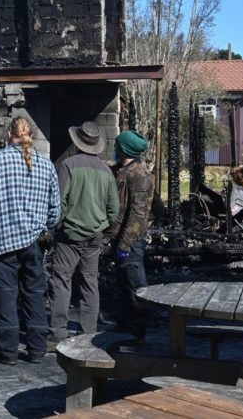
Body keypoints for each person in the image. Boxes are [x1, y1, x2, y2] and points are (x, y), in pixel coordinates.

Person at [0, 116, 61, 365]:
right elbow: (55, 210)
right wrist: (45, 230)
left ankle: (8, 352)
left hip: (4, 240)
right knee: (35, 295)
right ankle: (37, 350)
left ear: (9, 135)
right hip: (35, 243)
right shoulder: (46, 165)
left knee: (6, 296)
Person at [48, 121, 120, 345]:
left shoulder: (68, 165)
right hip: (94, 236)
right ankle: (88, 332)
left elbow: (58, 202)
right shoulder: (106, 171)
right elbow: (114, 209)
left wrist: (60, 225)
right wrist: (100, 225)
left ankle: (57, 333)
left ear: (77, 142)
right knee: (90, 282)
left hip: (69, 235)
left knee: (61, 281)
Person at [108, 129, 153, 340]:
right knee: (123, 284)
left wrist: (125, 244)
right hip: (120, 236)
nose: (114, 149)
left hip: (131, 241)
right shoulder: (123, 170)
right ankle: (124, 324)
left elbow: (138, 213)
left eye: (117, 146)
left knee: (135, 285)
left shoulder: (139, 175)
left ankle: (137, 329)